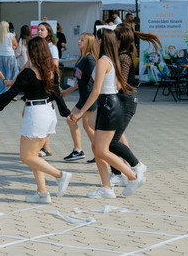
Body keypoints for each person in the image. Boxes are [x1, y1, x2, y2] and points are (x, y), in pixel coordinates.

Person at [0, 37, 72, 204]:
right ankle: (42, 193)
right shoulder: (51, 71)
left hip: (36, 114)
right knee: (33, 155)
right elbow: (57, 95)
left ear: (33, 52)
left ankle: (60, 175)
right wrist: (66, 113)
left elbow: (11, 93)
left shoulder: (29, 72)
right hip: (48, 113)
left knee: (26, 157)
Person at [69, 28, 146, 199]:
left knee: (103, 150)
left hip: (108, 104)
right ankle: (106, 187)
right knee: (97, 148)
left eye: (96, 39)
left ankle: (133, 176)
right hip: (109, 104)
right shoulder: (108, 59)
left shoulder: (103, 61)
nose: (94, 42)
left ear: (100, 41)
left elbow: (96, 92)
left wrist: (81, 112)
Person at [107, 23, 159, 186]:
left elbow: (120, 83)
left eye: (114, 36)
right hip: (121, 101)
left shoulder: (123, 57)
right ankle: (116, 175)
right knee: (107, 141)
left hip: (124, 101)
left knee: (111, 142)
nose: (112, 39)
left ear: (120, 39)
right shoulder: (123, 54)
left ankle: (136, 165)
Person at [60, 33, 98, 162]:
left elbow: (97, 80)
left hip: (89, 97)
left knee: (87, 125)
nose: (79, 42)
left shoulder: (90, 60)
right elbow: (79, 81)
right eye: (79, 39)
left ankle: (100, 152)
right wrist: (67, 91)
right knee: (71, 120)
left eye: (82, 40)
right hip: (83, 97)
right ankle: (78, 150)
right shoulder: (82, 58)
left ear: (89, 43)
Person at [36, 22, 59, 157]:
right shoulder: (37, 47)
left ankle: (44, 146)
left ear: (48, 32)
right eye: (38, 30)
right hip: (36, 85)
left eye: (42, 30)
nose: (39, 32)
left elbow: (55, 65)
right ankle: (46, 147)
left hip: (47, 84)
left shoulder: (52, 47)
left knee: (46, 116)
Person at [0, 21, 18, 96]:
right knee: (12, 75)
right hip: (10, 56)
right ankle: (9, 93)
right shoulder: (10, 35)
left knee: (1, 76)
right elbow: (15, 44)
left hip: (0, 57)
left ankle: (0, 93)